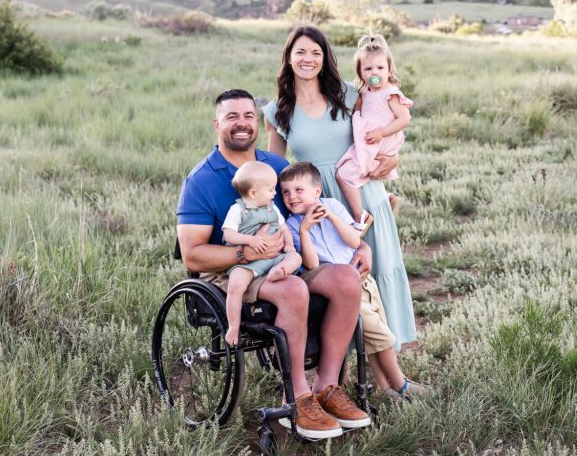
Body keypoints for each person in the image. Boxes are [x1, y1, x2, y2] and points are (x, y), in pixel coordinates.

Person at [177, 89, 372, 439]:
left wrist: (361, 246)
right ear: (217, 123)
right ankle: (296, 398)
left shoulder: (278, 167)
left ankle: (327, 388)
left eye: (249, 116)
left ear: (257, 121)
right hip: (233, 270)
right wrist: (245, 253)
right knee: (294, 287)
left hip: (288, 259)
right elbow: (192, 254)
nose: (242, 124)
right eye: (232, 117)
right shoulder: (202, 180)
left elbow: (315, 212)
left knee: (345, 279)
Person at [262, 26, 418, 350]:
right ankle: (344, 369)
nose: (308, 59)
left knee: (381, 271)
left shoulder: (348, 94)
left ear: (325, 58)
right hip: (321, 207)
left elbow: (380, 130)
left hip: (363, 196)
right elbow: (275, 171)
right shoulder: (278, 112)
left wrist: (391, 159)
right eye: (301, 52)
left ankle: (390, 369)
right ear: (288, 58)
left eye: (316, 52)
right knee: (345, 286)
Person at [281, 162, 428, 400]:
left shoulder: (334, 206)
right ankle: (400, 384)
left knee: (375, 331)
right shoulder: (293, 225)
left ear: (317, 191)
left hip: (365, 281)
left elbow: (353, 240)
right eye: (286, 192)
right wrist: (305, 231)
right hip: (343, 288)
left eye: (299, 190)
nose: (292, 197)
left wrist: (331, 217)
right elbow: (312, 266)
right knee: (380, 334)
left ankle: (383, 386)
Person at [220, 160, 302, 345]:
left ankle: (280, 271)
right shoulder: (238, 209)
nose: (275, 193)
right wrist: (250, 240)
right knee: (235, 285)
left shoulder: (272, 208)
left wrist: (289, 245)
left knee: (295, 257)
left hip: (274, 258)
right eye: (271, 189)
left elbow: (284, 229)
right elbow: (229, 234)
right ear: (253, 193)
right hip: (248, 263)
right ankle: (233, 326)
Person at [335, 34, 413, 227]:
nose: (374, 72)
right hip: (369, 141)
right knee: (360, 175)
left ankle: (359, 216)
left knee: (344, 174)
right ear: (361, 73)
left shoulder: (390, 93)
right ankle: (386, 198)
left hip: (379, 142)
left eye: (380, 67)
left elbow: (405, 119)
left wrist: (382, 132)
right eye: (368, 69)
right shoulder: (365, 93)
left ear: (388, 69)